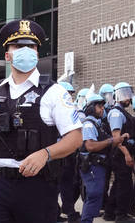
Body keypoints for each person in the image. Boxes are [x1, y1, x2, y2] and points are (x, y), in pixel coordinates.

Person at [0, 19, 83, 223]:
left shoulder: (54, 92)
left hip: (37, 188)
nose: (26, 50)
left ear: (36, 53)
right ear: (8, 55)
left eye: (31, 46)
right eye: (18, 46)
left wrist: (46, 154)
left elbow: (76, 137)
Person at [79, 94, 124, 223]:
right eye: (99, 106)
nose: (102, 109)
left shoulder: (98, 124)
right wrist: (111, 140)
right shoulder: (88, 124)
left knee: (96, 195)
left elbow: (105, 143)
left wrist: (119, 139)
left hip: (99, 165)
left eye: (103, 107)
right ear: (91, 107)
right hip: (93, 165)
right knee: (94, 195)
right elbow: (90, 146)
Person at [103, 82, 135, 223]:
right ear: (118, 96)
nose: (128, 99)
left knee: (119, 183)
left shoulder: (120, 112)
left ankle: (110, 213)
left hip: (121, 153)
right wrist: (127, 154)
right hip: (120, 154)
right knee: (124, 185)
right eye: (125, 95)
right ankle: (121, 216)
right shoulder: (117, 113)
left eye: (128, 95)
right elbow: (116, 138)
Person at [58, 81, 82, 222]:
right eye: (69, 94)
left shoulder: (69, 110)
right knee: (61, 184)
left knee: (66, 183)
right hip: (59, 153)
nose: (71, 97)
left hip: (67, 152)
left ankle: (66, 210)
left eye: (72, 94)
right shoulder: (60, 110)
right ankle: (66, 211)